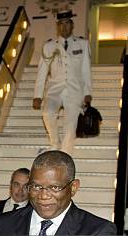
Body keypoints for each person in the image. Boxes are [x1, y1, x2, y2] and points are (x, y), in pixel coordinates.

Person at [33, 10, 92, 155]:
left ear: (72, 25)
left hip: (75, 90)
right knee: (48, 112)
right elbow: (42, 71)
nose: (64, 27)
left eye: (67, 23)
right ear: (57, 27)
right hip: (55, 89)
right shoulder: (49, 46)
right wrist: (37, 95)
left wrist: (87, 92)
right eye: (61, 24)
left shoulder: (82, 44)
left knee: (70, 126)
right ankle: (54, 143)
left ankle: (65, 155)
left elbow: (86, 70)